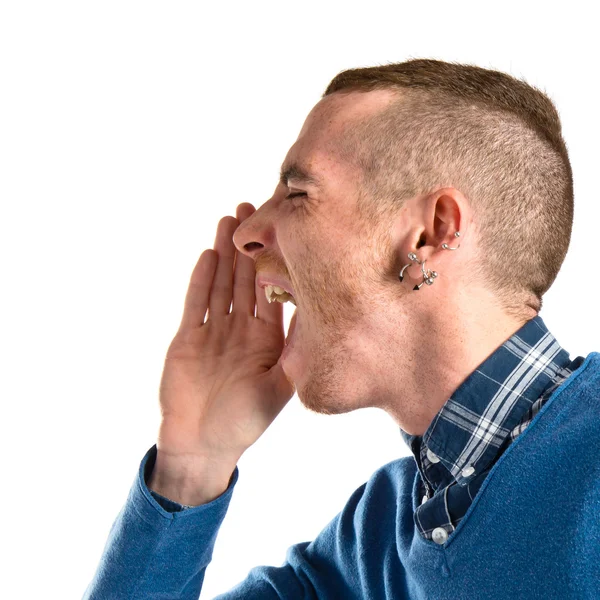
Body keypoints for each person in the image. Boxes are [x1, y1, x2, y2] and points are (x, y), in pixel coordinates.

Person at [82, 59, 600, 599]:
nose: (249, 232)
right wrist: (190, 468)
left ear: (431, 233)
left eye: (298, 193)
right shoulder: (373, 545)